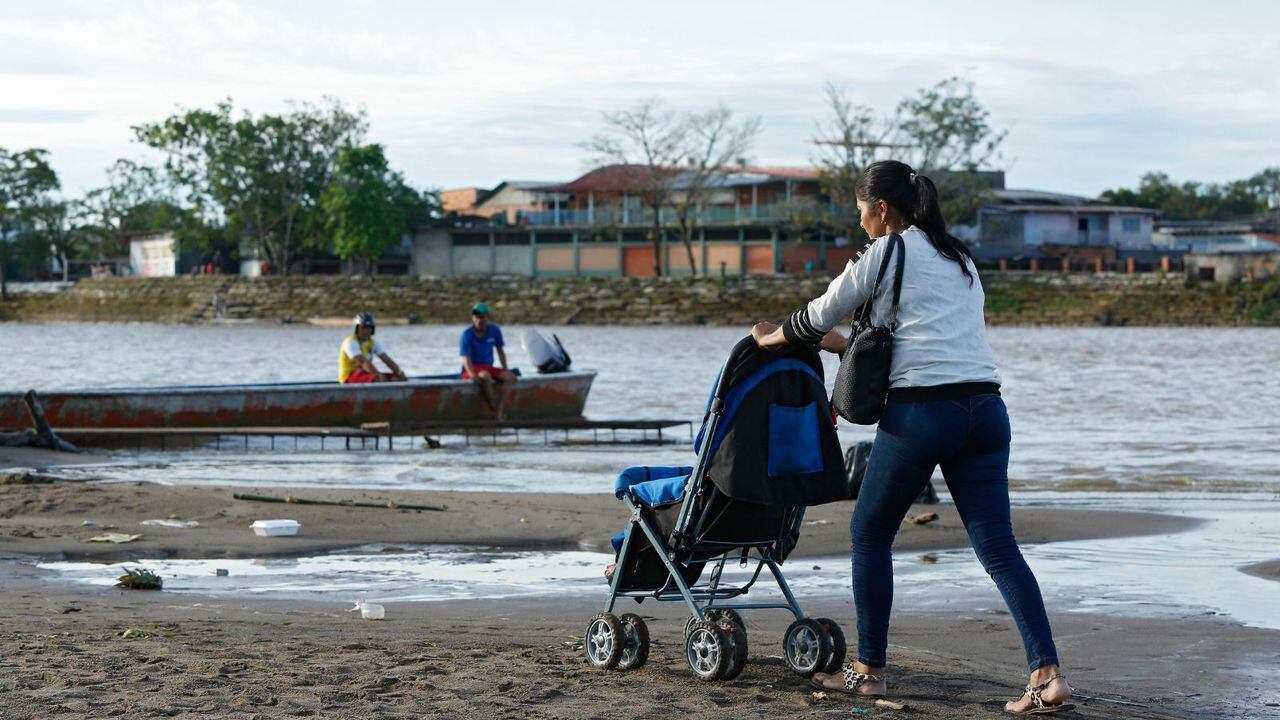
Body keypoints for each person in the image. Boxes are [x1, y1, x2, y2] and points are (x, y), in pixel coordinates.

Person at [750, 160, 1072, 716]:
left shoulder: (886, 253)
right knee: (997, 546)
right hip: (987, 412)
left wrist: (772, 336)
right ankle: (1046, 676)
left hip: (924, 413)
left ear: (881, 209)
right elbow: (906, 339)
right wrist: (834, 344)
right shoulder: (960, 258)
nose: (861, 226)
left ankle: (868, 670)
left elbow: (818, 312)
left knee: (869, 533)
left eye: (861, 214)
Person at [460, 302, 517, 420]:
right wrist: (472, 374)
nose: (479, 320)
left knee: (510, 377)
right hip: (473, 367)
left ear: (487, 318)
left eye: (482, 317)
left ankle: (499, 410)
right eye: (476, 317)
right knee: (485, 376)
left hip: (488, 366)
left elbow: (500, 351)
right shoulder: (467, 334)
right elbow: (466, 358)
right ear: (472, 318)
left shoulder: (495, 330)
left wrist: (505, 368)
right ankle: (494, 409)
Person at [339, 312, 406, 384]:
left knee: (395, 378)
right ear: (357, 328)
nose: (366, 331)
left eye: (369, 328)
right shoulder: (350, 342)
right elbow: (363, 362)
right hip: (349, 377)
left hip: (365, 374)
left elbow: (386, 359)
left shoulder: (373, 343)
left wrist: (399, 373)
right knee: (377, 379)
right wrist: (378, 375)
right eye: (363, 328)